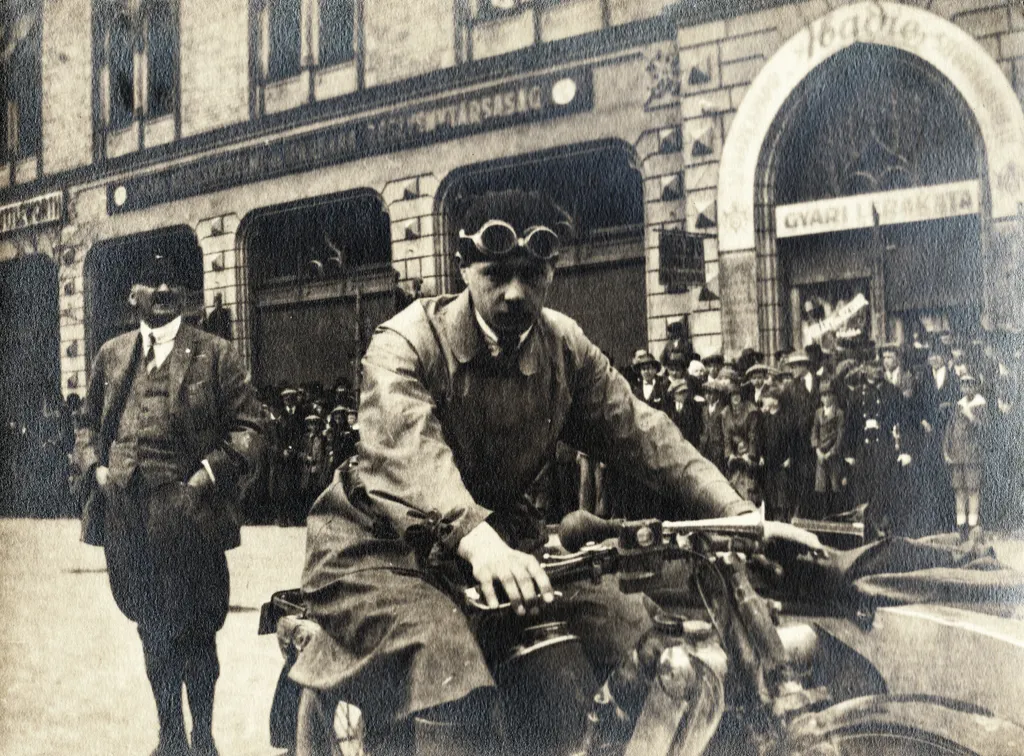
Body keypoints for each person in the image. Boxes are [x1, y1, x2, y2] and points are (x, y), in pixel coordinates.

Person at [292, 190, 819, 755]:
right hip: (381, 551)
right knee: (450, 665)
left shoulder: (565, 347)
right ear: (463, 267)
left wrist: (739, 516)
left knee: (640, 635)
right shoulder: (407, 343)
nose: (515, 292)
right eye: (496, 273)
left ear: (551, 272)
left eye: (532, 274)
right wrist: (478, 539)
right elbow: (413, 456)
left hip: (505, 548)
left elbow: (645, 434)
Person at [73, 254, 264, 756]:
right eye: (148, 280)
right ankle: (170, 736)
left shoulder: (216, 353)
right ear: (130, 295)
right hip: (128, 519)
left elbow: (250, 430)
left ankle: (202, 735)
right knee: (152, 631)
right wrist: (97, 469)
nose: (161, 288)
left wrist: (206, 477)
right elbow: (87, 425)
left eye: (170, 280)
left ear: (184, 292)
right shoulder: (111, 355)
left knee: (198, 632)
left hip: (191, 519)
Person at [943, 374, 988, 538]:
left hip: (972, 455)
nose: (967, 388)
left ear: (975, 387)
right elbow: (949, 429)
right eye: (964, 384)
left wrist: (970, 415)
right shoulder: (958, 405)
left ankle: (972, 526)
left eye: (970, 384)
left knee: (973, 490)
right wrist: (946, 451)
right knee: (959, 491)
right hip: (957, 455)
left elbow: (984, 429)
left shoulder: (981, 405)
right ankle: (960, 526)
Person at [811, 382, 845, 516]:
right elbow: (814, 431)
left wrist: (831, 452)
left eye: (828, 395)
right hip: (821, 454)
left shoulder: (839, 413)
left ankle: (834, 516)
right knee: (821, 487)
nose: (826, 398)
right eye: (823, 395)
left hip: (833, 456)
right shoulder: (818, 413)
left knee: (834, 486)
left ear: (833, 396)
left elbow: (840, 436)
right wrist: (817, 449)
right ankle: (822, 516)